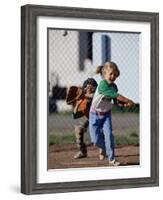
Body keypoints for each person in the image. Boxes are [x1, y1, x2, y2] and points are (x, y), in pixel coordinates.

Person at [89, 61, 135, 166]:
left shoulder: (114, 87)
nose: (112, 76)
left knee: (109, 135)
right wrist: (128, 100)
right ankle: (103, 147)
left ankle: (112, 159)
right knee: (95, 140)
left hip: (106, 115)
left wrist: (124, 105)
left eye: (114, 74)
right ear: (104, 74)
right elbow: (117, 96)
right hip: (94, 114)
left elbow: (116, 101)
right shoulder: (102, 85)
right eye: (110, 74)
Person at [66, 78, 97, 159]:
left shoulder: (97, 96)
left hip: (98, 118)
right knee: (79, 130)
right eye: (87, 87)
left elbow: (93, 96)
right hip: (88, 118)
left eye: (91, 87)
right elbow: (75, 115)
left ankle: (104, 149)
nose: (89, 89)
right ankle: (82, 152)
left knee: (98, 137)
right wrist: (77, 103)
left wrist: (84, 95)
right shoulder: (82, 99)